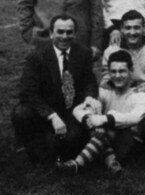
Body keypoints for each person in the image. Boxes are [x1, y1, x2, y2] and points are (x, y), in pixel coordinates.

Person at [11, 15, 98, 164]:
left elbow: (89, 80)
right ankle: (34, 140)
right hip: (45, 110)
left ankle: (53, 142)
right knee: (22, 113)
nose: (64, 37)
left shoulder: (83, 53)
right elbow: (28, 92)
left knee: (72, 143)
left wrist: (90, 97)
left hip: (70, 110)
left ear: (75, 34)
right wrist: (52, 116)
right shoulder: (36, 56)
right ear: (51, 33)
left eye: (69, 32)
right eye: (60, 32)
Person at [57, 50, 145, 174]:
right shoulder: (104, 91)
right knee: (93, 123)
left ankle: (77, 164)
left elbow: (135, 117)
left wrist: (104, 120)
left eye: (122, 71)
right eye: (113, 71)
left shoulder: (141, 93)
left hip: (129, 143)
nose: (117, 76)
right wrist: (89, 120)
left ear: (131, 70)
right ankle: (110, 161)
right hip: (103, 140)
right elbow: (77, 109)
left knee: (112, 127)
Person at [101, 10, 145, 103]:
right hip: (120, 95)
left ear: (144, 28)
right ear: (122, 29)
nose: (132, 32)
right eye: (128, 28)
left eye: (136, 28)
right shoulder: (111, 50)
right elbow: (106, 79)